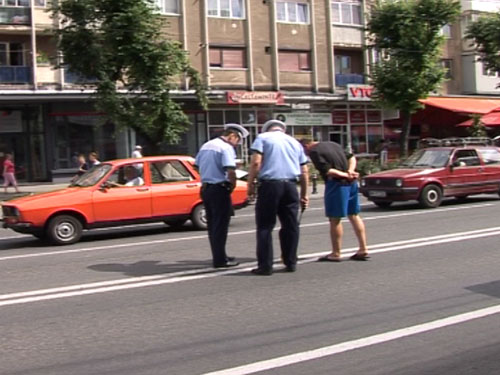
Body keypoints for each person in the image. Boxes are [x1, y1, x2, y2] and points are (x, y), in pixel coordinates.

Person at [247, 119, 309, 275]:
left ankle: (265, 266)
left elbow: (256, 163)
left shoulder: (262, 138)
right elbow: (305, 171)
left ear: (267, 129)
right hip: (290, 186)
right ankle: (290, 262)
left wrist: (250, 184)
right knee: (290, 225)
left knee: (265, 226)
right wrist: (304, 194)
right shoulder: (295, 142)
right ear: (283, 130)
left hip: (270, 185)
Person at [301, 139, 369, 262]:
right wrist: (351, 171)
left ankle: (336, 253)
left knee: (335, 218)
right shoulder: (334, 144)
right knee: (354, 215)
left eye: (304, 151)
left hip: (337, 185)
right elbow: (351, 157)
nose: (305, 154)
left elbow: (328, 171)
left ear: (306, 146)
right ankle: (363, 248)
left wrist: (345, 175)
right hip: (352, 183)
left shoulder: (314, 151)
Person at [194, 123, 249, 269]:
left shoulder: (206, 145)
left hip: (206, 189)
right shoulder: (226, 148)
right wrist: (232, 186)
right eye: (237, 141)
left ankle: (219, 254)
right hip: (219, 188)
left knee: (213, 225)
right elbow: (230, 171)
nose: (236, 144)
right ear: (232, 136)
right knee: (221, 226)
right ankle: (220, 260)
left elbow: (197, 165)